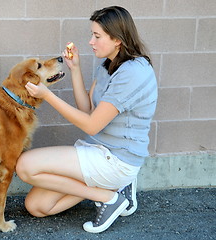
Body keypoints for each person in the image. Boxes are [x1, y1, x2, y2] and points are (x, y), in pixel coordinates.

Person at [16, 6, 158, 233]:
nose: (91, 41)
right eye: (92, 34)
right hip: (97, 148)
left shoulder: (133, 73)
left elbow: (92, 124)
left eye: (97, 36)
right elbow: (88, 110)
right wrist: (75, 69)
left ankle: (108, 197)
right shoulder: (108, 65)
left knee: (25, 166)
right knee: (37, 206)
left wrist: (47, 95)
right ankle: (113, 191)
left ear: (117, 40)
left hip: (115, 159)